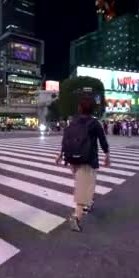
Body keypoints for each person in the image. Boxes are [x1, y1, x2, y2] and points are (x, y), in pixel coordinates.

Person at [55, 96, 110, 232]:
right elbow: (102, 140)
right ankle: (76, 217)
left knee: (87, 183)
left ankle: (89, 203)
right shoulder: (94, 123)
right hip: (87, 160)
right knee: (83, 189)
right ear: (92, 109)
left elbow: (65, 139)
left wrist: (60, 155)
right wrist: (107, 155)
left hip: (73, 160)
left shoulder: (73, 122)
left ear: (80, 109)